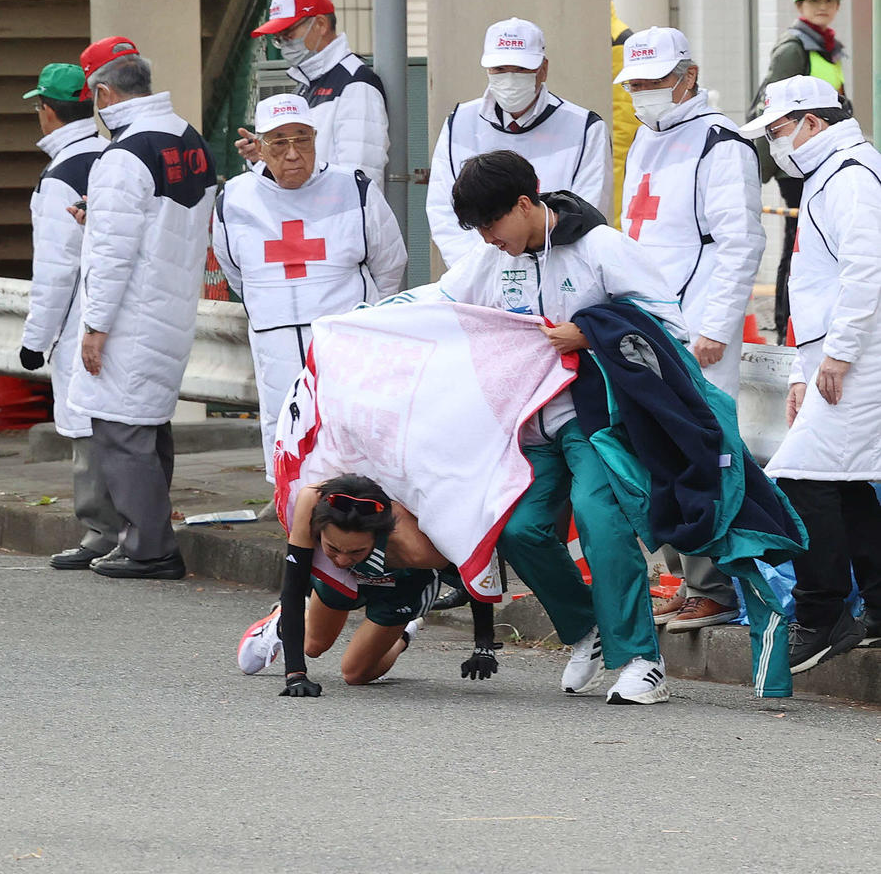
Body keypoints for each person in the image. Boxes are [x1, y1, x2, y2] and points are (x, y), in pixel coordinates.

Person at [443, 150, 688, 704]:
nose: (486, 238)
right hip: (528, 425)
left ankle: (642, 661)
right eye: (476, 229)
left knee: (600, 521)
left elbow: (669, 325)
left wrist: (590, 332)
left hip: (595, 420)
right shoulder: (491, 258)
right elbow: (440, 306)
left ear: (524, 204)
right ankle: (585, 628)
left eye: (490, 223)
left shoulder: (602, 248)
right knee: (517, 529)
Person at [616, 26, 764, 632]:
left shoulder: (721, 143)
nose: (643, 93)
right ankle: (685, 579)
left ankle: (717, 588)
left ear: (689, 77)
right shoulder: (646, 140)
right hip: (648, 321)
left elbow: (741, 242)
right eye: (635, 84)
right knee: (658, 452)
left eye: (654, 81)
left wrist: (716, 327)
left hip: (696, 327)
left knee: (702, 453)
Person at [739, 74, 881, 674]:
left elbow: (867, 270)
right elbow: (817, 282)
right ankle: (874, 607)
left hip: (858, 356)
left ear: (813, 123)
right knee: (844, 480)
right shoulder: (834, 172)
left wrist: (838, 356)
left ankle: (823, 614)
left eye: (778, 130)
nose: (775, 144)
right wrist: (805, 368)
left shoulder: (851, 176)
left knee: (800, 474)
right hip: (839, 356)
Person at [67, 36, 217, 580]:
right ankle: (145, 538)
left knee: (121, 430)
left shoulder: (123, 154)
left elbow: (113, 253)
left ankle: (149, 547)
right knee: (150, 427)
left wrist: (95, 326)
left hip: (131, 312)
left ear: (104, 94)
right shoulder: (189, 137)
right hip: (173, 303)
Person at [212, 93, 406, 478]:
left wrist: (365, 320)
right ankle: (292, 508)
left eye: (302, 139)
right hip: (275, 340)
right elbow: (235, 270)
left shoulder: (353, 187)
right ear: (259, 147)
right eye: (278, 142)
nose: (292, 153)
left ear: (316, 139)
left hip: (345, 340)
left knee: (352, 430)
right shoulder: (233, 199)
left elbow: (390, 262)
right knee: (286, 430)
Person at [15, 62, 124, 571]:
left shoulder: (61, 175)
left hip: (81, 320)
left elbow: (56, 270)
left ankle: (102, 533)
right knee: (127, 426)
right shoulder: (116, 155)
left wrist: (35, 339)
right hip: (124, 315)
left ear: (47, 110)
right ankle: (136, 531)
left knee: (86, 429)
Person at [236, 475, 456, 695]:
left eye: (356, 551)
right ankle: (279, 623)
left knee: (356, 674)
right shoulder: (310, 501)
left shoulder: (417, 549)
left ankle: (404, 633)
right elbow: (293, 589)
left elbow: (471, 577)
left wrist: (476, 647)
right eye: (332, 548)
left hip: (401, 586)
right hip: (342, 578)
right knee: (312, 646)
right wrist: (295, 675)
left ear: (379, 536)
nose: (341, 560)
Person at [427, 17, 612, 267]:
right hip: (478, 274)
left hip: (556, 271)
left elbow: (583, 213)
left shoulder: (584, 127)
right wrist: (478, 272)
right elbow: (443, 209)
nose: (510, 78)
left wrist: (540, 270)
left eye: (522, 69)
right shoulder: (459, 122)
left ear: (543, 69)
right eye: (500, 69)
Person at [749, 0, 848, 346]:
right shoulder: (795, 48)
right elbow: (769, 107)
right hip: (798, 163)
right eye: (814, 0)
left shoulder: (826, 47)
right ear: (799, 6)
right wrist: (760, 169)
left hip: (821, 157)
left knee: (814, 242)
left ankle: (802, 324)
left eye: (829, 0)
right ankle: (785, 326)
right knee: (799, 242)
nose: (822, 6)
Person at [235, 0, 389, 185]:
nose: (284, 44)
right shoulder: (307, 84)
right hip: (312, 203)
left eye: (288, 34)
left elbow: (359, 175)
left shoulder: (355, 84)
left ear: (321, 24)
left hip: (334, 204)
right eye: (278, 38)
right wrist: (264, 156)